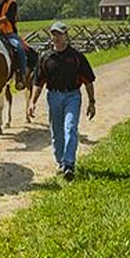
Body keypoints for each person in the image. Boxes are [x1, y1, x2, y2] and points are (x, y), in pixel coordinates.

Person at [27, 21, 96, 181]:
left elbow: (88, 81)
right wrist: (32, 102)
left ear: (66, 36)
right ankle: (60, 162)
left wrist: (92, 102)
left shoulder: (76, 57)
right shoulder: (46, 58)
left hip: (72, 95)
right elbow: (38, 82)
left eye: (59, 34)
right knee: (57, 132)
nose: (56, 37)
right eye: (54, 34)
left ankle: (69, 164)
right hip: (54, 96)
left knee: (70, 128)